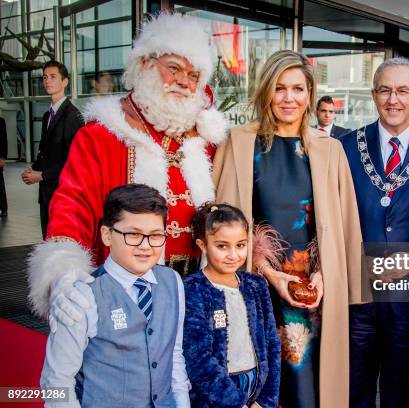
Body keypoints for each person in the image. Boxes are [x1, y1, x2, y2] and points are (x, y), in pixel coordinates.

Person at [27, 12, 227, 329]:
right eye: (173, 68)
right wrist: (63, 271)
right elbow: (72, 205)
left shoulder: (208, 142)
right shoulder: (103, 135)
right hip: (126, 301)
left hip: (199, 299)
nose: (183, 82)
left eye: (193, 75)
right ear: (145, 65)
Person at [213, 49, 362, 408]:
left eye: (298, 89)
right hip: (256, 285)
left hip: (311, 296)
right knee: (256, 387)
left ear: (309, 93)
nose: (288, 98)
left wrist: (327, 275)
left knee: (307, 390)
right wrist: (269, 273)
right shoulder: (238, 144)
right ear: (266, 91)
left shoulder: (330, 150)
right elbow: (219, 223)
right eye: (279, 88)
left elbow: (345, 229)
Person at [340, 57, 409, 407]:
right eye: (385, 90)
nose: (394, 99)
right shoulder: (345, 147)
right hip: (356, 296)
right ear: (374, 95)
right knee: (353, 389)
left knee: (397, 393)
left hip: (407, 299)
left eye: (403, 90)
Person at [40, 184, 191, 407]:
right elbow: (55, 382)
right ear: (107, 235)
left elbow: (174, 357)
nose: (145, 246)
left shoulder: (172, 281)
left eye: (156, 235)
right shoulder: (81, 295)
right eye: (133, 234)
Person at [183, 203, 280, 407]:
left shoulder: (256, 285)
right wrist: (234, 402)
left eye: (240, 245)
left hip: (257, 390)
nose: (233, 255)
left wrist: (266, 400)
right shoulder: (194, 290)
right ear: (202, 245)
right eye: (222, 246)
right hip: (217, 396)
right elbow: (198, 358)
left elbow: (272, 343)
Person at [21, 61, 84, 237]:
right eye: (45, 77)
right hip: (47, 192)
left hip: (62, 193)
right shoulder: (48, 115)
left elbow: (73, 160)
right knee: (47, 239)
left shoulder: (73, 116)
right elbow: (47, 150)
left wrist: (41, 175)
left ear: (65, 82)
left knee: (59, 241)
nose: (47, 81)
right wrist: (34, 168)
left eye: (53, 77)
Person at [0, 116, 7, 217]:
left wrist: (2, 157)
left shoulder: (1, 122)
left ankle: (3, 208)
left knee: (0, 185)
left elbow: (3, 140)